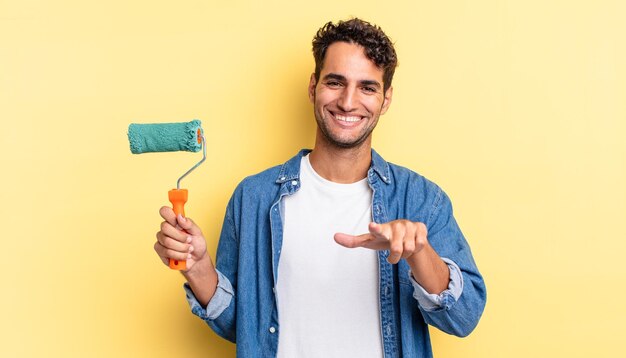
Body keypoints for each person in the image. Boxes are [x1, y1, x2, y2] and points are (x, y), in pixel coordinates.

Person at [155, 18, 486, 357]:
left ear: (386, 99)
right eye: (335, 82)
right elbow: (240, 327)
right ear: (313, 87)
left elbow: (464, 318)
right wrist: (199, 269)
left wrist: (419, 254)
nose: (347, 101)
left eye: (367, 88)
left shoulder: (421, 200)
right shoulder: (253, 198)